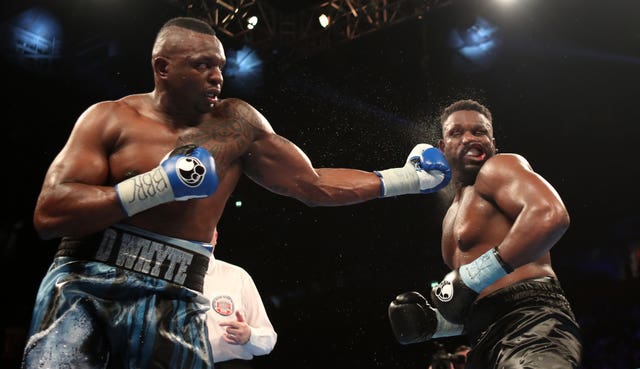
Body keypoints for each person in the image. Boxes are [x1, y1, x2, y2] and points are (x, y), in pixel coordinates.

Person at [21, 16, 451, 369]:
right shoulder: (109, 119)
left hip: (175, 289)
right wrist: (154, 186)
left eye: (221, 66)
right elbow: (49, 214)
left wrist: (405, 179)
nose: (217, 77)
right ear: (162, 67)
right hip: (86, 277)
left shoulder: (235, 125)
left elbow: (312, 184)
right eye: (202, 65)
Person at [388, 99, 582, 368]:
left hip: (531, 322)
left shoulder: (500, 167)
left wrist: (472, 277)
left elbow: (550, 215)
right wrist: (436, 324)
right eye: (457, 132)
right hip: (484, 338)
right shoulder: (450, 217)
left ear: (493, 142)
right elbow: (477, 297)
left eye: (479, 132)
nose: (469, 138)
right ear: (442, 148)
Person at [205, 228, 277, 369]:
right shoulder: (169, 276)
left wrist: (249, 336)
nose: (201, 236)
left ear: (216, 237)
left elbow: (268, 339)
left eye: (207, 230)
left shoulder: (237, 276)